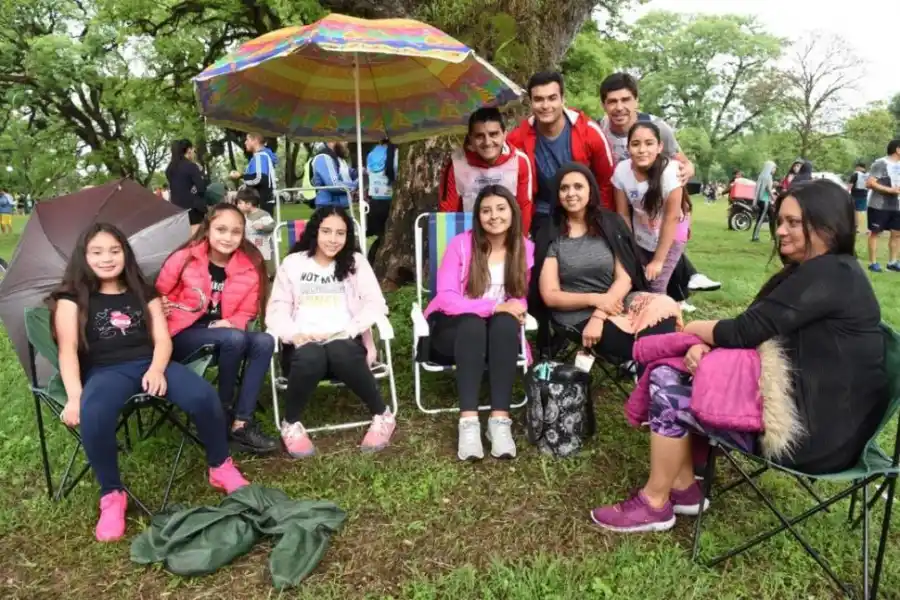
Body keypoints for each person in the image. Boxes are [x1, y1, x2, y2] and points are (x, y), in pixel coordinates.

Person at [589, 180, 887, 533]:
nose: (780, 231)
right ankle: (683, 489)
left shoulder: (830, 273)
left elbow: (743, 331)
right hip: (818, 414)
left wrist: (694, 330)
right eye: (780, 221)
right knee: (668, 374)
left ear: (828, 225)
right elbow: (755, 330)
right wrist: (706, 346)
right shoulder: (828, 272)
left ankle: (655, 502)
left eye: (793, 223)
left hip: (814, 437)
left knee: (666, 387)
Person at [49, 223, 250, 542]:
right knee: (94, 414)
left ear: (125, 254)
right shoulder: (71, 300)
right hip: (105, 371)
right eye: (97, 252)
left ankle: (219, 465)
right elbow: (67, 351)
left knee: (203, 397)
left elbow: (162, 340)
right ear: (83, 257)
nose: (107, 258)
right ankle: (113, 494)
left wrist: (157, 369)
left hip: (150, 363)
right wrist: (75, 397)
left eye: (114, 251)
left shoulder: (145, 292)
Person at [266, 206, 395, 457]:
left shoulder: (355, 262)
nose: (333, 239)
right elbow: (277, 310)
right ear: (315, 231)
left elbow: (375, 304)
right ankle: (290, 423)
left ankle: (383, 414)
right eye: (326, 231)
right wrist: (295, 334)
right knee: (311, 354)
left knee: (339, 349)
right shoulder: (293, 264)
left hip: (345, 345)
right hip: (303, 347)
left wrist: (350, 330)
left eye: (340, 233)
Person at [506, 71, 615, 356]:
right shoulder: (519, 136)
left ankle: (598, 322)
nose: (546, 106)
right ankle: (544, 336)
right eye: (538, 99)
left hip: (586, 209)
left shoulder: (588, 132)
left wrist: (603, 221)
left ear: (563, 99)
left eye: (552, 98)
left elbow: (605, 180)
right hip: (544, 211)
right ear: (530, 102)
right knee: (536, 266)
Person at [156, 203, 278, 455]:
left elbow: (246, 312)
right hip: (181, 335)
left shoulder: (248, 266)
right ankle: (219, 418)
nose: (228, 237)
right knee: (232, 338)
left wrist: (230, 323)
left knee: (264, 341)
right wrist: (160, 304)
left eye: (235, 231)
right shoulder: (185, 258)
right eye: (221, 229)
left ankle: (241, 422)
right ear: (208, 229)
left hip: (226, 332)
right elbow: (157, 294)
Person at [423, 185, 534, 461]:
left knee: (507, 324)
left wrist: (512, 310)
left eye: (500, 209)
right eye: (486, 210)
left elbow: (519, 299)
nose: (493, 216)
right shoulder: (460, 244)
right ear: (478, 216)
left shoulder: (525, 248)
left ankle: (499, 422)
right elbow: (447, 298)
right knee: (473, 324)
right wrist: (496, 307)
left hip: (495, 333)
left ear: (512, 212)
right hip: (452, 330)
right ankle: (469, 423)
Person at [596, 72, 720, 307]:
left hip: (662, 205)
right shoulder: (600, 129)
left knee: (658, 267)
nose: (619, 107)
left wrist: (689, 168)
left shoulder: (657, 127)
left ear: (636, 101)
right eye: (612, 101)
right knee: (639, 271)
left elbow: (681, 160)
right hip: (631, 201)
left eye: (625, 100)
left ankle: (675, 297)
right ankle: (676, 290)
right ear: (604, 104)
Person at [540, 163, 680, 363]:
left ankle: (656, 382)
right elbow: (550, 296)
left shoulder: (610, 223)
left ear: (591, 190)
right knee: (651, 346)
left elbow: (624, 278)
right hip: (576, 314)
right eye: (564, 188)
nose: (571, 193)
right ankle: (656, 383)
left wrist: (600, 313)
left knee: (664, 306)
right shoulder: (550, 234)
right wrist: (595, 300)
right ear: (557, 194)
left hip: (617, 300)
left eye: (578, 186)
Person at [613, 122, 689, 294]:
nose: (642, 150)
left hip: (672, 232)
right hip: (642, 230)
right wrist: (631, 250)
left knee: (656, 285)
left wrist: (658, 261)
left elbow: (671, 218)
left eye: (649, 143)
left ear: (659, 146)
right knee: (637, 280)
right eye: (635, 144)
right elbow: (623, 214)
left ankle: (664, 317)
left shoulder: (671, 173)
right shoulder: (621, 171)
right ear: (628, 147)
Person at [439, 107, 533, 232]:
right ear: (471, 138)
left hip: (508, 238)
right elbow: (448, 213)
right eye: (479, 136)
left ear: (504, 134)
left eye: (493, 134)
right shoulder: (457, 164)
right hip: (469, 238)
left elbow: (524, 207)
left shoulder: (519, 161)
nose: (487, 142)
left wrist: (520, 244)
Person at [865, 140, 900, 272]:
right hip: (879, 205)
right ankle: (873, 263)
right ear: (898, 149)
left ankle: (893, 262)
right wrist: (890, 190)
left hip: (897, 205)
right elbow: (869, 183)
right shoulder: (881, 163)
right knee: (875, 233)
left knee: (897, 234)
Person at [365, 139, 398, 264]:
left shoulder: (372, 153)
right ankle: (375, 260)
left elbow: (368, 172)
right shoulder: (394, 153)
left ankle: (372, 259)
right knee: (389, 236)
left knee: (381, 236)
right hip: (389, 200)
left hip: (374, 201)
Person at [165, 139, 208, 235]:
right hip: (194, 209)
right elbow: (201, 188)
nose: (194, 153)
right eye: (193, 150)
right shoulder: (191, 166)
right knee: (196, 237)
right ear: (188, 150)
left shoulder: (169, 169)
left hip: (177, 209)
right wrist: (201, 175)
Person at [230, 133, 278, 217]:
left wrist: (240, 176)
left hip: (261, 203)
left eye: (247, 140)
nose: (245, 142)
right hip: (264, 201)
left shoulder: (260, 156)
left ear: (255, 140)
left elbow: (259, 178)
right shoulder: (262, 156)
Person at [235, 188, 276, 277]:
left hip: (263, 245)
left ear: (249, 204)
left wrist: (263, 227)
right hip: (250, 245)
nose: (237, 206)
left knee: (264, 262)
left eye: (239, 203)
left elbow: (272, 226)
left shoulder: (263, 214)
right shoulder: (244, 215)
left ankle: (268, 275)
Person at [311, 142, 357, 208]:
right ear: (331, 141)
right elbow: (333, 185)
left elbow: (347, 173)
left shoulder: (338, 159)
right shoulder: (323, 157)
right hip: (328, 207)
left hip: (338, 206)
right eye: (343, 139)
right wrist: (356, 185)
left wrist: (361, 172)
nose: (346, 142)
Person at [751, 161, 777, 242]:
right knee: (761, 219)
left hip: (763, 200)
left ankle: (773, 237)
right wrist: (774, 198)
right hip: (765, 201)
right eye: (774, 168)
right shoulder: (768, 177)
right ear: (770, 168)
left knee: (772, 218)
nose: (775, 170)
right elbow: (768, 189)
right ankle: (755, 237)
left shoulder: (761, 176)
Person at [848, 162, 870, 232]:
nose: (856, 169)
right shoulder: (868, 175)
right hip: (864, 194)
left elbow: (850, 186)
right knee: (864, 211)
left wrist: (846, 192)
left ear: (859, 167)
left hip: (855, 195)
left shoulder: (855, 174)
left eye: (856, 167)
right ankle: (867, 228)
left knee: (855, 211)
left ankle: (856, 227)